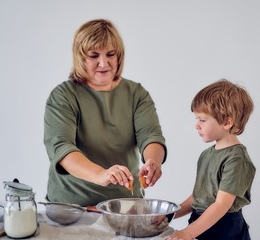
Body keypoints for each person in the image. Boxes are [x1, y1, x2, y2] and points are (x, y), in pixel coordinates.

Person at [43, 19, 167, 207]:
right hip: (72, 206)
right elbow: (61, 148)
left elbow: (151, 135)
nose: (103, 63)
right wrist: (101, 174)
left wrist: (153, 161)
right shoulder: (63, 96)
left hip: (124, 204)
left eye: (110, 54)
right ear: (80, 58)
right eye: (94, 56)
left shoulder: (136, 94)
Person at [165, 79, 255, 240]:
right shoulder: (206, 155)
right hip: (201, 223)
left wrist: (187, 232)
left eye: (202, 120)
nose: (196, 125)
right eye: (196, 119)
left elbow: (221, 205)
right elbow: (197, 197)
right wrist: (168, 216)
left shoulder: (237, 159)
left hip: (225, 229)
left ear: (227, 122)